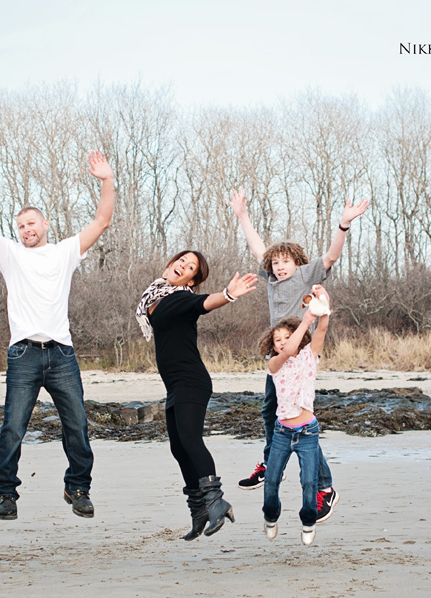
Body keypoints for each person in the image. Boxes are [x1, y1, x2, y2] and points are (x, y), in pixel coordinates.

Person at [0, 149, 115, 520]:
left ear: (46, 224)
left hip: (61, 352)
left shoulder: (65, 252)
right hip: (23, 355)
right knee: (13, 426)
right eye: (21, 226)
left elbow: (102, 221)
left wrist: (107, 180)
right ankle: (6, 494)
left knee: (77, 423)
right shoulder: (11, 254)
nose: (26, 230)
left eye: (32, 223)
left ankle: (78, 487)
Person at [228, 189, 368, 523]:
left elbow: (332, 256)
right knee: (270, 412)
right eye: (275, 264)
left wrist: (343, 225)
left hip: (300, 354)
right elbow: (258, 248)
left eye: (284, 262)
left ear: (298, 263)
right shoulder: (272, 281)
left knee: (301, 422)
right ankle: (270, 463)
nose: (279, 267)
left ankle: (324, 487)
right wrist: (243, 216)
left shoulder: (306, 274)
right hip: (279, 352)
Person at [136, 251, 258, 540]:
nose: (184, 266)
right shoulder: (156, 295)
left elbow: (205, 303)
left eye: (191, 268)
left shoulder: (182, 298)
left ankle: (216, 502)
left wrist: (228, 294)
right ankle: (199, 510)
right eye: (183, 261)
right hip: (175, 384)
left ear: (192, 279)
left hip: (192, 381)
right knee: (178, 449)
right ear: (171, 263)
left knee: (191, 441)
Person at [261, 285, 332, 546]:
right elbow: (288, 351)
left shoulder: (309, 356)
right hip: (282, 433)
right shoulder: (274, 364)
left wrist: (323, 301)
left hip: (307, 432)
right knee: (271, 481)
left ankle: (308, 521)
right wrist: (304, 322)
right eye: (277, 339)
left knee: (309, 484)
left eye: (286, 337)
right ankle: (270, 516)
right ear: (272, 344)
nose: (282, 341)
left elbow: (322, 326)